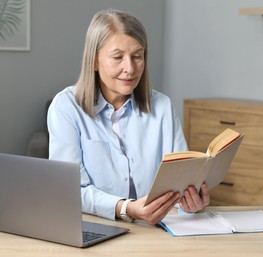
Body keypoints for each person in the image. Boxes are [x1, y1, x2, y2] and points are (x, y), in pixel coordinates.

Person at [47, 9, 209, 224]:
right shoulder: (66, 107)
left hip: (157, 230)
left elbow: (181, 182)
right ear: (94, 61)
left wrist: (191, 202)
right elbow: (68, 191)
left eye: (137, 56)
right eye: (117, 57)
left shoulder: (162, 107)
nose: (130, 68)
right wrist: (127, 208)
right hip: (95, 227)